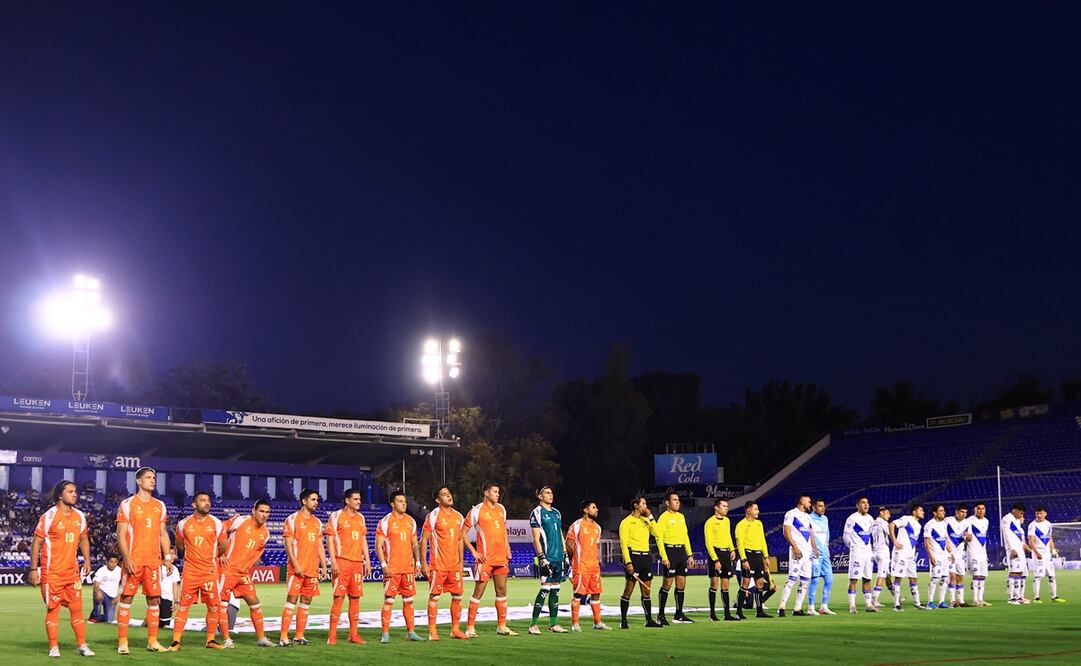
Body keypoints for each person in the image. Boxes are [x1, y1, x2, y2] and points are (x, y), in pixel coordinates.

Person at [30, 480, 95, 657]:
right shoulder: (49, 516)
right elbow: (37, 542)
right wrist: (33, 569)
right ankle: (53, 647)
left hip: (72, 573)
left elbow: (83, 539)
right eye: (70, 491)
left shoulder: (80, 516)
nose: (75, 494)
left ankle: (82, 645)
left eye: (75, 491)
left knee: (77, 608)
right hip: (52, 574)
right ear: (60, 495)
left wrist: (87, 561)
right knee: (53, 609)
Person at [115, 467, 173, 653]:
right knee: (126, 597)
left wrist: (168, 557)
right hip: (134, 560)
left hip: (153, 562)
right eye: (148, 477)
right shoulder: (127, 504)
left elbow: (162, 533)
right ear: (139, 481)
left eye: (154, 477)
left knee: (154, 600)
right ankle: (123, 642)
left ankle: (152, 641)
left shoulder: (160, 505)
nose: (152, 480)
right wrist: (127, 558)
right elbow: (121, 534)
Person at [463, 481, 517, 636]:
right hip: (485, 560)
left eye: (498, 492)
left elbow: (504, 532)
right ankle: (470, 627)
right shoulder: (476, 510)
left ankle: (502, 626)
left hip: (501, 558)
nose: (498, 494)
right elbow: (462, 534)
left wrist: (508, 549)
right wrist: (474, 552)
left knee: (501, 590)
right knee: (478, 592)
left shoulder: (502, 509)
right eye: (495, 491)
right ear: (486, 493)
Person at [217, 499, 274, 647]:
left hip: (243, 574)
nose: (264, 515)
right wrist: (220, 554)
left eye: (267, 512)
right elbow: (220, 530)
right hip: (227, 569)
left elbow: (257, 551)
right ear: (253, 511)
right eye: (261, 511)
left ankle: (261, 638)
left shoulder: (266, 533)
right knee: (222, 605)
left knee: (254, 602)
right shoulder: (240, 521)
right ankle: (226, 639)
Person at [375, 489, 424, 643]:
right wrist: (384, 565)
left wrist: (417, 563)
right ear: (392, 504)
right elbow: (378, 546)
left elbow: (415, 545)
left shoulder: (411, 521)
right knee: (389, 600)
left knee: (409, 601)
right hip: (392, 569)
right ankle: (385, 633)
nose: (404, 504)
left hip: (408, 568)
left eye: (405, 501)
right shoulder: (385, 521)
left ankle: (411, 632)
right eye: (400, 501)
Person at [280, 489, 327, 646]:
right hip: (297, 569)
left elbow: (320, 545)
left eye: (317, 499)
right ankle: (283, 636)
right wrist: (296, 564)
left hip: (312, 570)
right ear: (304, 501)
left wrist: (324, 566)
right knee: (291, 601)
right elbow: (288, 544)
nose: (316, 502)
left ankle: (299, 635)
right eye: (313, 499)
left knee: (306, 601)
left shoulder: (317, 523)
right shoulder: (293, 519)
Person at [420, 486, 468, 640]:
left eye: (449, 494)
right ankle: (432, 631)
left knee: (458, 596)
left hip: (454, 565)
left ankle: (455, 629)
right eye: (444, 494)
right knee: (434, 596)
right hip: (438, 565)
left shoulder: (459, 517)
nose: (449, 496)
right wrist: (423, 563)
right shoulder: (433, 516)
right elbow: (424, 540)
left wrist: (461, 561)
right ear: (437, 500)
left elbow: (460, 539)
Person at [325, 488, 372, 645]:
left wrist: (367, 560)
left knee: (355, 598)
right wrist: (333, 561)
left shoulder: (361, 518)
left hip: (357, 563)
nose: (359, 502)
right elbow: (330, 540)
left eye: (359, 499)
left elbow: (363, 539)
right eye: (356, 499)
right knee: (338, 598)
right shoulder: (336, 516)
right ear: (347, 500)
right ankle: (332, 635)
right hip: (342, 561)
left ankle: (354, 634)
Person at [617, 496, 662, 628]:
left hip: (645, 558)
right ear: (636, 505)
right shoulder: (626, 522)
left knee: (646, 591)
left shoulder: (645, 520)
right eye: (643, 504)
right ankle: (623, 621)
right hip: (634, 557)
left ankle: (649, 620)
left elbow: (658, 533)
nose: (645, 506)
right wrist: (628, 562)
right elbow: (623, 544)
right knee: (628, 590)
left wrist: (651, 517)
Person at [528, 485, 568, 634]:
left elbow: (560, 536)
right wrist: (542, 558)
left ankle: (554, 624)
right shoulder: (537, 513)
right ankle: (533, 625)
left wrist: (565, 555)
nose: (551, 495)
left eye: (551, 492)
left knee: (555, 590)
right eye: (547, 492)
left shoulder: (557, 513)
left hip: (558, 557)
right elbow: (536, 538)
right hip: (548, 557)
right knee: (545, 589)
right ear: (539, 496)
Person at [566, 499, 610, 631]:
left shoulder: (598, 528)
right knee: (578, 594)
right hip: (581, 566)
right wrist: (576, 559)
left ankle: (597, 622)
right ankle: (575, 624)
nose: (597, 510)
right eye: (593, 507)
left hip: (594, 567)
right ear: (585, 510)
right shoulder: (577, 525)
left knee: (596, 593)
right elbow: (569, 544)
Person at [652, 492, 695, 624]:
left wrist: (690, 554)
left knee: (681, 585)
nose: (678, 502)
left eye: (678, 500)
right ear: (667, 503)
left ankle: (679, 614)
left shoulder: (681, 517)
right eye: (674, 500)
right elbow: (659, 538)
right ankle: (660, 615)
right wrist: (664, 557)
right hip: (670, 551)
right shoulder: (663, 518)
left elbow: (685, 536)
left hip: (681, 552)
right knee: (667, 585)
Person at [777, 494, 817, 617]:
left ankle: (797, 608)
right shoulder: (791, 514)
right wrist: (795, 547)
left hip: (807, 552)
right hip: (797, 551)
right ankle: (781, 607)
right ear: (802, 501)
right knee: (792, 579)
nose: (810, 503)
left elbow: (810, 534)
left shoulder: (808, 517)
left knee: (805, 580)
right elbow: (786, 531)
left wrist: (814, 548)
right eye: (808, 501)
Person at [734, 500, 771, 619]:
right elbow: (740, 544)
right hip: (748, 555)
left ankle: (759, 611)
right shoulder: (741, 525)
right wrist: (744, 560)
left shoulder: (759, 523)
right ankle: (739, 612)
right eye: (755, 509)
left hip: (758, 556)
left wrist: (766, 557)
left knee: (759, 583)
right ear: (748, 510)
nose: (758, 511)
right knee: (745, 583)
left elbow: (762, 541)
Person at [703, 498, 738, 621]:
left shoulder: (727, 521)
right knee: (714, 584)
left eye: (727, 506)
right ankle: (712, 614)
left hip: (726, 553)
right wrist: (715, 560)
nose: (726, 508)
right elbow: (709, 542)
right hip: (716, 554)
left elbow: (728, 536)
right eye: (724, 506)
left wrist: (732, 549)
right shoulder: (710, 522)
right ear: (716, 508)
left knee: (726, 585)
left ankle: (727, 614)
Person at [889, 504, 926, 610]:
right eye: (921, 510)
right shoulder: (906, 519)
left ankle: (917, 603)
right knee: (898, 578)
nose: (923, 512)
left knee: (913, 578)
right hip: (901, 553)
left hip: (910, 555)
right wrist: (894, 540)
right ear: (914, 512)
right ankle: (896, 604)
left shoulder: (918, 526)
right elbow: (891, 524)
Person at [844, 497, 876, 613]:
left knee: (867, 579)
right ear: (857, 505)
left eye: (867, 502)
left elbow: (870, 535)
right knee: (854, 580)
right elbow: (846, 536)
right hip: (857, 553)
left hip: (868, 553)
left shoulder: (870, 519)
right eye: (863, 503)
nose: (866, 505)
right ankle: (852, 606)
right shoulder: (852, 519)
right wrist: (853, 547)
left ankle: (868, 605)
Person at [1028, 505, 1064, 603]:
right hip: (1038, 553)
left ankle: (1054, 596)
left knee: (1052, 575)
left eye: (1040, 513)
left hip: (1047, 554)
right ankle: (1036, 598)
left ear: (1045, 514)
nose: (1039, 515)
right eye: (1037, 513)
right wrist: (1036, 552)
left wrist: (1053, 550)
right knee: (1038, 576)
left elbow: (1050, 538)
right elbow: (1030, 541)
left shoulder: (1048, 524)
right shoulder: (1032, 525)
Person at [806, 498, 835, 615]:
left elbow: (827, 535)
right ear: (813, 507)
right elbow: (808, 535)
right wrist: (812, 549)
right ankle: (811, 608)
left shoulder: (825, 519)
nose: (822, 508)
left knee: (829, 579)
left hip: (825, 553)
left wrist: (827, 548)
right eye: (819, 506)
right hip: (815, 554)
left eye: (823, 506)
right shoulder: (808, 518)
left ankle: (824, 606)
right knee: (815, 580)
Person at [923, 503, 954, 609]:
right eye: (941, 510)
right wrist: (931, 556)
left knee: (945, 579)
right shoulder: (929, 524)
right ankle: (930, 602)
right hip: (935, 555)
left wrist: (951, 553)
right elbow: (926, 542)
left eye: (943, 510)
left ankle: (941, 602)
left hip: (944, 555)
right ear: (935, 513)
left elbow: (946, 539)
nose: (943, 512)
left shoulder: (944, 524)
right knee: (935, 578)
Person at [1001, 503, 1030, 604]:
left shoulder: (1017, 521)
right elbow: (1007, 534)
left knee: (1021, 573)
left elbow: (1019, 538)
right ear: (1015, 510)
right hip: (1013, 550)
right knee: (1014, 572)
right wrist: (1012, 548)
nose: (1021, 516)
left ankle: (1018, 597)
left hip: (1020, 550)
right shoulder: (1007, 519)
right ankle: (1011, 598)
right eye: (1021, 513)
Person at [963, 502, 991, 607]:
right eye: (978, 508)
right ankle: (975, 599)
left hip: (983, 553)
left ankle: (980, 599)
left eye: (983, 508)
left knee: (983, 576)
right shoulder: (969, 521)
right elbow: (965, 534)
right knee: (976, 575)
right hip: (972, 552)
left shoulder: (986, 521)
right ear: (975, 510)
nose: (981, 510)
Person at [945, 505, 969, 607]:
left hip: (961, 553)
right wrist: (948, 550)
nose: (963, 514)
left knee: (960, 576)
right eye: (962, 512)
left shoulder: (967, 523)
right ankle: (952, 600)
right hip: (950, 553)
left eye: (965, 512)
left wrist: (968, 538)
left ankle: (961, 600)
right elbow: (944, 535)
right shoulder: (948, 521)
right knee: (952, 576)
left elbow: (968, 538)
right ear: (956, 512)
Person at [871, 506, 894, 608]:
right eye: (887, 513)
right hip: (883, 551)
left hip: (875, 551)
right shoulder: (884, 523)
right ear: (882, 513)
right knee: (882, 575)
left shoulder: (873, 522)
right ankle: (874, 600)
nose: (889, 515)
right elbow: (890, 533)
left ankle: (896, 595)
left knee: (887, 574)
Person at [91, 554, 121, 624]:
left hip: (113, 596)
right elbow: (96, 583)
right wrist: (97, 592)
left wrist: (118, 597)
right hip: (102, 593)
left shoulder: (120, 571)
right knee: (97, 595)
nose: (113, 564)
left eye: (115, 562)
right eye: (111, 562)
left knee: (109, 620)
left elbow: (124, 584)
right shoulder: (101, 570)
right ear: (106, 562)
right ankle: (96, 615)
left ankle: (97, 616)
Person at [158, 548, 181, 628]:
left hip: (168, 599)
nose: (172, 556)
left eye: (173, 553)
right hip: (159, 597)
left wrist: (176, 601)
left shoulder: (175, 569)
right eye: (170, 553)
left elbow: (175, 586)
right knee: (155, 622)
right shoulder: (158, 567)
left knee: (165, 624)